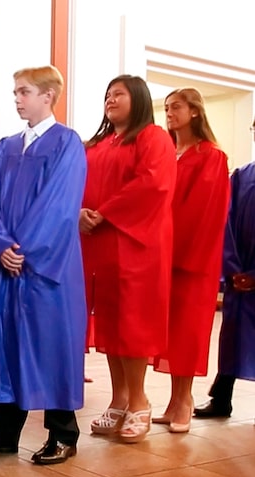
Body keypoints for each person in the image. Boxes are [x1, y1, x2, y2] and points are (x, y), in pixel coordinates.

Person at [0, 65, 87, 464]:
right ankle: (3, 431)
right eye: (15, 92)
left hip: (47, 269)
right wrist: (1, 245)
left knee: (51, 346)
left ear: (48, 96)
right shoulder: (6, 146)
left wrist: (23, 249)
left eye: (24, 92)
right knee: (7, 347)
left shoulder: (67, 144)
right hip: (10, 267)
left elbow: (59, 207)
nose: (16, 99)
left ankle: (63, 432)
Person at [81, 75, 176, 443]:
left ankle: (139, 400)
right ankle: (118, 399)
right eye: (107, 94)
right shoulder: (100, 144)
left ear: (138, 99)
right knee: (111, 323)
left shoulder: (152, 138)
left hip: (137, 244)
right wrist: (81, 211)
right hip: (102, 245)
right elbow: (79, 184)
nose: (110, 99)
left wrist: (104, 212)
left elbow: (153, 183)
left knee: (133, 323)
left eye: (118, 94)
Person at [151, 88, 229, 432]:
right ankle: (172, 400)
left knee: (188, 329)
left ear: (195, 111)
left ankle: (185, 400)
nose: (169, 113)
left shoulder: (212, 156)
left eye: (176, 107)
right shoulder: (168, 152)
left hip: (191, 258)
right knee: (166, 329)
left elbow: (204, 212)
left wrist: (178, 251)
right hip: (161, 253)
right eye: (166, 108)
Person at [194, 116, 255, 419]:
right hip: (239, 274)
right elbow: (225, 223)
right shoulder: (242, 176)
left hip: (252, 275)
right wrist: (232, 270)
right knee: (232, 337)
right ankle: (222, 398)